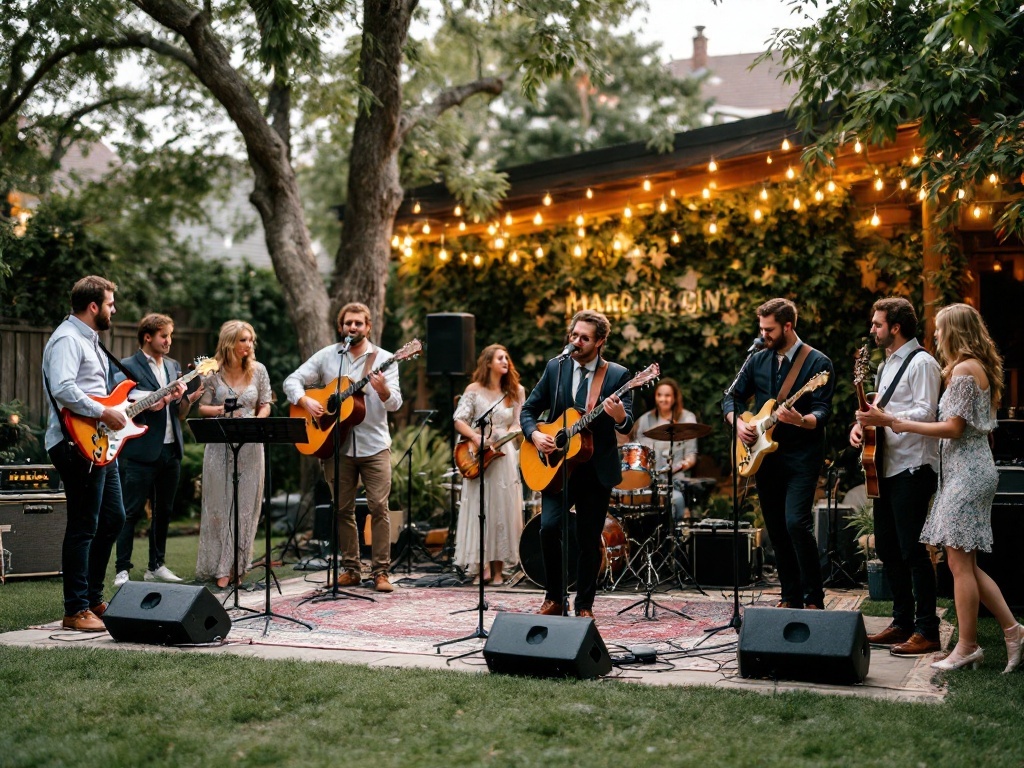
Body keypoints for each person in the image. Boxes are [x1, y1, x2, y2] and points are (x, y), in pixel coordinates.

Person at [859, 303, 1023, 673]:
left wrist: (896, 423)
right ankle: (1013, 632)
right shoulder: (968, 368)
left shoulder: (965, 370)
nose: (934, 336)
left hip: (966, 473)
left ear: (956, 331)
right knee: (964, 563)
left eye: (940, 329)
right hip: (962, 471)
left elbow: (952, 428)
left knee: (959, 564)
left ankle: (968, 646)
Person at [42, 276, 179, 631]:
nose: (114, 309)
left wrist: (145, 400)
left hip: (102, 445)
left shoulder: (91, 340)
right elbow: (64, 388)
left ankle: (91, 597)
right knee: (83, 525)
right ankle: (74, 609)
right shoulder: (68, 340)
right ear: (93, 306)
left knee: (114, 518)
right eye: (110, 303)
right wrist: (104, 413)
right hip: (75, 445)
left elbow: (105, 395)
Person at [520, 309, 633, 619]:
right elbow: (528, 410)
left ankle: (584, 605)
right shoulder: (555, 368)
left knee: (587, 539)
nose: (577, 342)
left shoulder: (616, 375)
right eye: (574, 336)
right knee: (548, 528)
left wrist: (619, 415)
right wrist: (535, 436)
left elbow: (627, 425)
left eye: (585, 338)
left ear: (600, 342)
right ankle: (554, 598)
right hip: (556, 468)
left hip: (596, 468)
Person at [723, 298, 834, 610]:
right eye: (760, 328)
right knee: (775, 527)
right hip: (765, 456)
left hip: (802, 456)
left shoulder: (817, 363)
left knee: (796, 523)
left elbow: (824, 411)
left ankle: (814, 597)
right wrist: (738, 423)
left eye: (769, 329)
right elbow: (731, 398)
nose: (763, 334)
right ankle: (790, 596)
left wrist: (800, 420)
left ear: (788, 325)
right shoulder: (757, 359)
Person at [284, 302, 402, 593]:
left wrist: (383, 390)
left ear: (368, 326)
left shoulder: (385, 358)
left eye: (359, 324)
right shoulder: (328, 356)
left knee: (378, 507)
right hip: (336, 445)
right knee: (342, 508)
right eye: (348, 323)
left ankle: (381, 572)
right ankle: (351, 569)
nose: (353, 328)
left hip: (374, 444)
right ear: (341, 327)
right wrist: (305, 401)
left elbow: (396, 403)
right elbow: (292, 380)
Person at [850, 298, 942, 656]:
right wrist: (859, 430)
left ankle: (927, 629)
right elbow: (876, 412)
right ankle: (902, 621)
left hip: (913, 467)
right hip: (884, 467)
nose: (872, 329)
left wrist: (883, 419)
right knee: (888, 548)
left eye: (877, 324)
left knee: (913, 551)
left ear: (896, 327)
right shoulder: (886, 365)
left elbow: (927, 413)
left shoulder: (923, 364)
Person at [113, 314, 204, 587]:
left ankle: (156, 565)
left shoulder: (174, 365)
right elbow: (121, 400)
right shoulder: (128, 365)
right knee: (130, 512)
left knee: (164, 510)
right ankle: (122, 569)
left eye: (170, 336)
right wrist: (150, 401)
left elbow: (179, 413)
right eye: (164, 336)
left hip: (170, 449)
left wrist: (187, 398)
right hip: (140, 450)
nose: (168, 341)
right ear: (147, 336)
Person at [195, 320, 272, 589]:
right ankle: (219, 566)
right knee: (219, 507)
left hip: (251, 446)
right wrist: (222, 411)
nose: (248, 345)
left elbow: (265, 403)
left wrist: (259, 421)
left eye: (250, 340)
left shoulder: (259, 370)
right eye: (243, 340)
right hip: (219, 446)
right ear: (229, 343)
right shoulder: (212, 372)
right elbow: (202, 409)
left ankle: (238, 566)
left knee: (245, 507)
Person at [453, 344, 526, 585]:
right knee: (480, 508)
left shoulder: (516, 391)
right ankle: (481, 567)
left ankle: (498, 571)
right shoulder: (473, 390)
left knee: (502, 510)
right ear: (488, 363)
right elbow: (459, 420)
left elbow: (518, 423)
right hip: (478, 453)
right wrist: (476, 438)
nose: (505, 361)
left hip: (503, 455)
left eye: (507, 357)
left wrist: (509, 433)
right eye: (499, 358)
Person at [632, 378, 699, 521]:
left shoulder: (687, 418)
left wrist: (677, 467)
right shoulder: (645, 420)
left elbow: (691, 456)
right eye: (659, 395)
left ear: (675, 398)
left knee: (676, 500)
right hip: (649, 481)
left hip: (676, 481)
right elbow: (637, 452)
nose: (663, 399)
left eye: (667, 395)